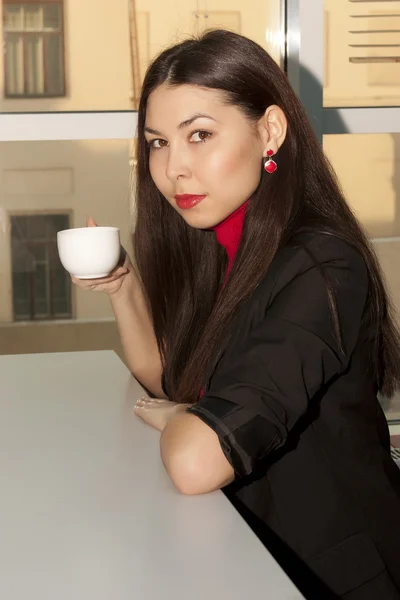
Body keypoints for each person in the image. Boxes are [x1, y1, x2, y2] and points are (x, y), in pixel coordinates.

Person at [72, 30, 400, 600]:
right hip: (247, 546)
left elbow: (198, 459)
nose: (174, 168)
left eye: (199, 135)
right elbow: (171, 378)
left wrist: (184, 417)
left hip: (330, 568)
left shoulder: (322, 266)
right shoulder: (225, 247)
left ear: (269, 130)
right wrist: (124, 289)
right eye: (156, 143)